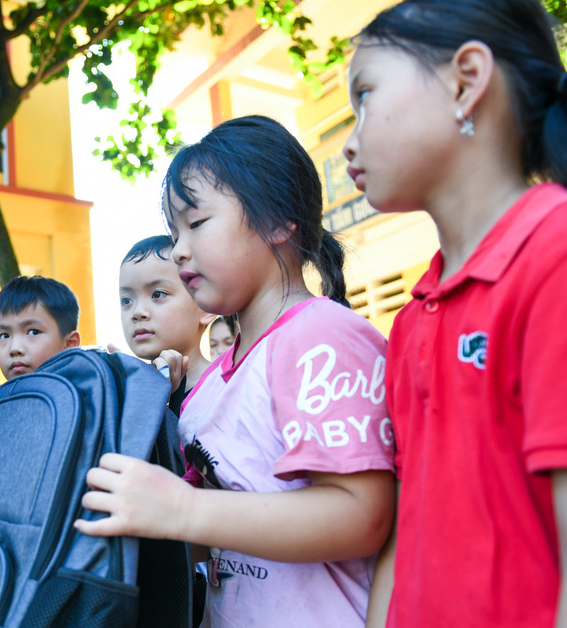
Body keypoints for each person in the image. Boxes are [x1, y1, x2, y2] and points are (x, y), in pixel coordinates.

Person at [340, 1, 567, 625]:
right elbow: (406, 543)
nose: (350, 140)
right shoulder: (411, 318)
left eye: (366, 96)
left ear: (466, 80)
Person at [76, 116, 395, 627]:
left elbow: (361, 514)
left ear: (277, 220)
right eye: (174, 229)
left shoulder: (319, 339)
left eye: (196, 223)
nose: (178, 247)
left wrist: (182, 510)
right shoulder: (213, 382)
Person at [119, 235, 216, 415]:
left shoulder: (224, 389)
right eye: (126, 300)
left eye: (157, 294)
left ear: (205, 308)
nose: (137, 312)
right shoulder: (127, 394)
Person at [0, 275, 81, 381]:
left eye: (33, 332)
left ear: (70, 344)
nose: (14, 348)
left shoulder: (91, 394)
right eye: (4, 335)